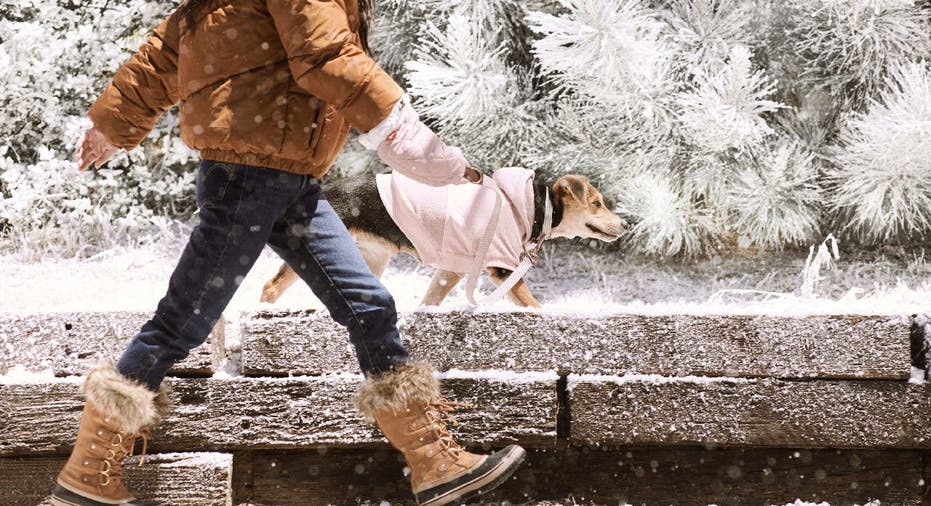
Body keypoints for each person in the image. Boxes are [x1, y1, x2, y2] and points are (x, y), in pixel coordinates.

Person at [51, 1, 526, 505]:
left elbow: (166, 54)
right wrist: (399, 128)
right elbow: (324, 52)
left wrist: (113, 122)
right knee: (181, 322)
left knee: (368, 303)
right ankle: (88, 471)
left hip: (290, 177)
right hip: (246, 175)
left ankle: (433, 462)